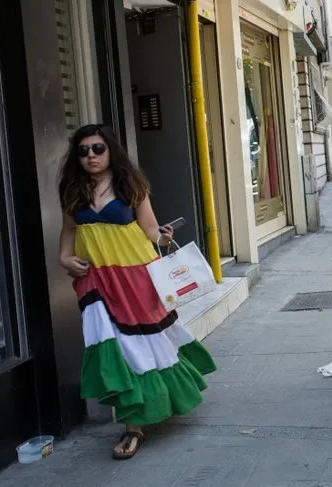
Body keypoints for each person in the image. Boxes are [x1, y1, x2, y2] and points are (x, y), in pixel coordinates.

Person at [58, 124, 216, 460]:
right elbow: (68, 231)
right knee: (115, 345)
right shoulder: (72, 189)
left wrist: (164, 236)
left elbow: (150, 232)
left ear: (110, 150)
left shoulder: (131, 186)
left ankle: (156, 405)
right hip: (95, 279)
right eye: (84, 150)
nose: (91, 156)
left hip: (136, 277)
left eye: (97, 148)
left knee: (148, 344)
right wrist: (64, 257)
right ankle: (133, 427)